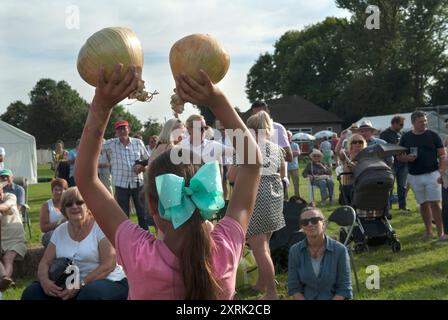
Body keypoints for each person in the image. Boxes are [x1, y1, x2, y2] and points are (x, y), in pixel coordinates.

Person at [74, 65, 262, 299]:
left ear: (152, 205)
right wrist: (216, 100)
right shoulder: (226, 249)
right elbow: (252, 163)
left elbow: (85, 178)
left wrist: (102, 105)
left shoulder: (138, 254)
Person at [21, 187, 128, 300]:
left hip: (108, 281)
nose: (74, 206)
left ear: (88, 206)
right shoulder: (59, 231)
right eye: (69, 204)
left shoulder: (100, 227)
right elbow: (44, 263)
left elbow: (108, 265)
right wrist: (45, 282)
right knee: (32, 292)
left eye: (79, 202)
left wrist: (80, 285)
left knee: (89, 294)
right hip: (70, 286)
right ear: (63, 210)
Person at [228, 111, 286, 299]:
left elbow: (231, 176)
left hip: (255, 199)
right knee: (264, 245)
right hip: (274, 199)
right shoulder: (277, 149)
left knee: (259, 248)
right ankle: (263, 283)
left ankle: (271, 292)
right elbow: (282, 173)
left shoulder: (246, 149)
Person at [398, 111, 447, 242]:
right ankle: (429, 231)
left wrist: (441, 171)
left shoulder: (433, 135)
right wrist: (406, 157)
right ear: (413, 122)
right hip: (414, 175)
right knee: (423, 204)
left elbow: (442, 155)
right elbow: (399, 156)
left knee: (435, 204)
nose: (424, 123)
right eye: (421, 121)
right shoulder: (406, 137)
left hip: (433, 174)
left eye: (425, 121)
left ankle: (441, 232)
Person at [288, 207, 352, 300]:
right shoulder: (295, 251)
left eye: (314, 220)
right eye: (305, 222)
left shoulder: (340, 250)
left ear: (324, 223)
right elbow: (294, 287)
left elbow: (344, 289)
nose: (310, 224)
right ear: (302, 227)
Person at [103, 119, 151, 230]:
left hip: (138, 183)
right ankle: (126, 240)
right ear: (116, 132)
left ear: (128, 129)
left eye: (124, 128)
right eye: (119, 129)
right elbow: (96, 146)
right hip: (121, 184)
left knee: (142, 214)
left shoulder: (138, 143)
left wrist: (142, 167)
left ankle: (146, 238)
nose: (122, 130)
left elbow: (148, 160)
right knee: (123, 216)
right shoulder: (110, 144)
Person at [0, 181, 27, 292]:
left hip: (15, 239)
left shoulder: (11, 197)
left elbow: (5, 206)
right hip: (1, 239)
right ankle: (5, 280)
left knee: (8, 258)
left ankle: (3, 280)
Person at [380, 115, 409, 211]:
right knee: (389, 186)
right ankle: (387, 207)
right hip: (390, 164)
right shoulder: (384, 134)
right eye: (401, 124)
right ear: (394, 123)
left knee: (402, 186)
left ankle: (402, 206)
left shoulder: (400, 133)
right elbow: (384, 149)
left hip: (403, 164)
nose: (402, 126)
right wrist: (398, 144)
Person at [338, 134, 368, 205]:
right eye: (354, 142)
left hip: (362, 186)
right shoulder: (346, 156)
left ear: (363, 144)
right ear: (350, 144)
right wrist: (341, 139)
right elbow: (337, 151)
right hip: (348, 188)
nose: (357, 144)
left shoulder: (366, 157)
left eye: (360, 142)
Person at [40, 178, 68, 247]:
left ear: (66, 190)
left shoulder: (70, 203)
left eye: (61, 190)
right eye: (56, 189)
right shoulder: (47, 205)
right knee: (52, 237)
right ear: (52, 191)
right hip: (51, 233)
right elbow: (43, 228)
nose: (58, 192)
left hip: (68, 232)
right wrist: (61, 222)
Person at [286, 130, 301, 199]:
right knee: (285, 184)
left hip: (294, 167)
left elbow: (298, 153)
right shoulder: (283, 145)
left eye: (289, 135)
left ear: (291, 136)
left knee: (296, 184)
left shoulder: (295, 144)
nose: (288, 136)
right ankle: (285, 198)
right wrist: (292, 153)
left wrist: (288, 154)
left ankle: (297, 197)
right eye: (286, 135)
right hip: (285, 168)